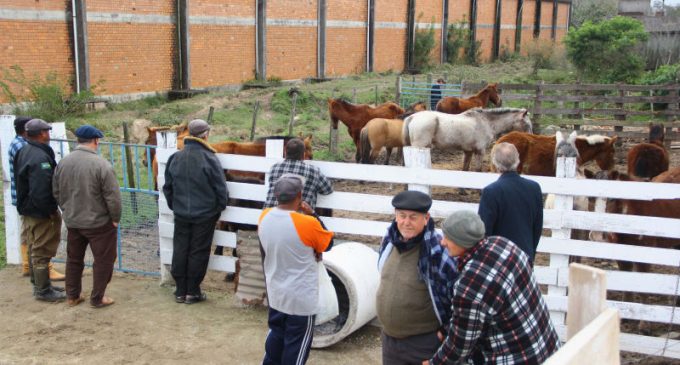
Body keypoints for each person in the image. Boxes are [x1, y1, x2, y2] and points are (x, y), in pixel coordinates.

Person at [425, 210, 560, 364]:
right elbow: (481, 308)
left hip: (516, 358)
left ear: (463, 241)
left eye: (448, 238)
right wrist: (446, 329)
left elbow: (460, 346)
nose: (443, 242)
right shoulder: (502, 244)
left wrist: (434, 363)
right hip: (547, 348)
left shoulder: (471, 283)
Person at [258, 174, 334, 365]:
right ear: (300, 196)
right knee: (296, 347)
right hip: (301, 298)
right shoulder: (307, 223)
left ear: (276, 194)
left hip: (276, 292)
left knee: (276, 337)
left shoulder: (264, 216)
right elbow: (328, 243)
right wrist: (313, 214)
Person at [376, 190, 458, 365]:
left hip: (424, 344)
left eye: (413, 217)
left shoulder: (438, 249)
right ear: (395, 216)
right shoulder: (389, 240)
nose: (406, 222)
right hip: (390, 342)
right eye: (402, 216)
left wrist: (444, 332)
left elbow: (458, 296)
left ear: (426, 218)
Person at [53, 125, 121, 308]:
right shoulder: (102, 165)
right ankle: (97, 298)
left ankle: (72, 296)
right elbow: (112, 197)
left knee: (74, 259)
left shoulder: (64, 163)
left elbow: (56, 191)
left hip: (74, 221)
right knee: (104, 260)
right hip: (99, 223)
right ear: (96, 141)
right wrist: (115, 218)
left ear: (78, 140)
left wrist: (67, 210)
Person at [162, 119, 229, 304]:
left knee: (181, 248)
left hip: (181, 213)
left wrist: (175, 205)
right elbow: (220, 189)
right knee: (198, 251)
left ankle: (180, 291)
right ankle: (193, 291)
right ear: (206, 135)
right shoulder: (210, 158)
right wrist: (219, 208)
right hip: (205, 214)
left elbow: (168, 187)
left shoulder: (175, 158)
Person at [14, 119, 66, 302]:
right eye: (47, 131)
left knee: (34, 246)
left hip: (28, 209)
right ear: (42, 134)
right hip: (40, 213)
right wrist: (50, 210)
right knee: (42, 249)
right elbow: (41, 188)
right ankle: (43, 290)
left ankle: (40, 285)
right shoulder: (39, 157)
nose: (49, 134)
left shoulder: (24, 151)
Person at [478, 142, 543, 263]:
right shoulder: (534, 188)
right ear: (517, 160)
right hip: (525, 256)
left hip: (498, 259)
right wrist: (531, 254)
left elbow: (484, 231)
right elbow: (537, 227)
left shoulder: (490, 192)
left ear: (495, 162)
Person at [264, 138, 332, 210]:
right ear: (303, 154)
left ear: (285, 152)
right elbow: (327, 190)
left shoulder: (275, 168)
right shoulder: (314, 171)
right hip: (298, 218)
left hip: (270, 215)